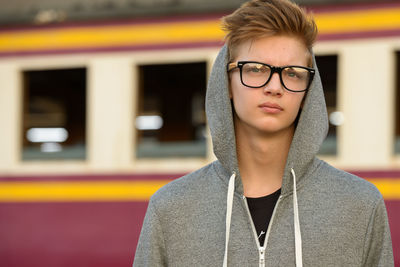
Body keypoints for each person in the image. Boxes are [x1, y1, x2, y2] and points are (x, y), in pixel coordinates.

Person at [133, 0, 394, 266]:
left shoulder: (360, 205)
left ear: (307, 92)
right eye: (256, 69)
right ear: (228, 84)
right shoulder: (170, 209)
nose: (274, 86)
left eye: (292, 73)